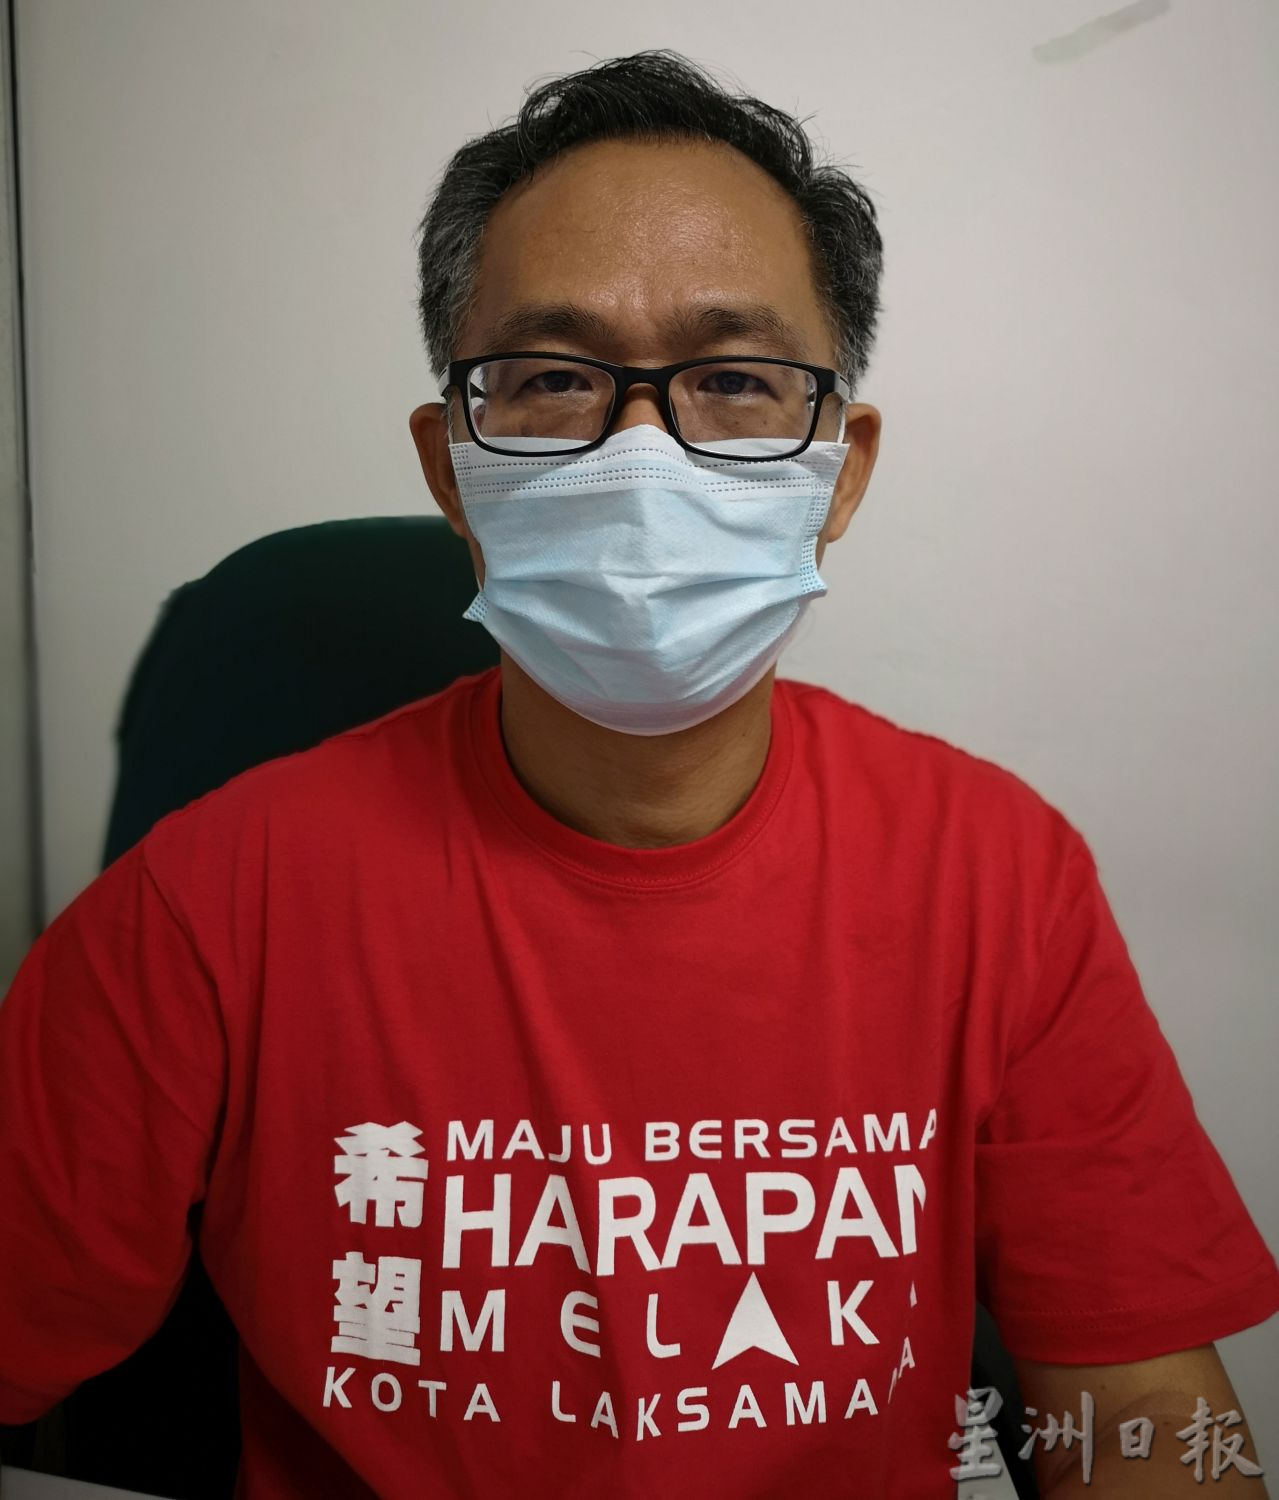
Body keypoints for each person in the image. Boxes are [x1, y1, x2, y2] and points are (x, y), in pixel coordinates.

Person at [1, 48, 1275, 1500]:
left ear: (841, 470)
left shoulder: (999, 876)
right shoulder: (213, 903)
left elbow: (1144, 1410)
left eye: (733, 380)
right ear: (452, 467)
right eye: (555, 379)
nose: (644, 455)